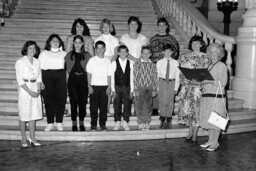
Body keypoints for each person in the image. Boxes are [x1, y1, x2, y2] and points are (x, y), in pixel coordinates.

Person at [178, 35, 210, 144]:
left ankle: (195, 135)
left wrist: (199, 81)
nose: (195, 45)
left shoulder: (206, 57)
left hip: (198, 87)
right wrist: (183, 80)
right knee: (188, 111)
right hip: (187, 87)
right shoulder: (184, 56)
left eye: (197, 43)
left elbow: (206, 74)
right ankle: (190, 132)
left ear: (201, 45)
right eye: (193, 43)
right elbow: (181, 72)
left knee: (196, 111)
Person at [199, 43, 228, 151]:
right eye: (210, 51)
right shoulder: (207, 65)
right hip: (206, 95)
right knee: (209, 119)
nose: (212, 54)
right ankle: (210, 140)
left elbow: (223, 82)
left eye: (215, 52)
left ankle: (215, 142)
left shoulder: (222, 65)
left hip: (217, 96)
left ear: (220, 53)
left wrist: (208, 81)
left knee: (216, 120)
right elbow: (202, 80)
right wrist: (197, 81)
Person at [15, 41, 43, 147]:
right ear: (26, 49)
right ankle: (23, 137)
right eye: (30, 48)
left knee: (33, 114)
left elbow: (39, 77)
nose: (32, 50)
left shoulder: (37, 61)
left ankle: (32, 137)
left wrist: (38, 90)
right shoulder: (20, 62)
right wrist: (30, 92)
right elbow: (19, 80)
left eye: (34, 48)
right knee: (23, 114)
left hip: (35, 87)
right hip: (25, 89)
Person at [149, 17, 179, 116]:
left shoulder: (172, 39)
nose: (161, 27)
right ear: (157, 26)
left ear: (166, 26)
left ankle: (169, 109)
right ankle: (155, 107)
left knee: (168, 91)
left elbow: (176, 53)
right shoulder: (153, 39)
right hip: (155, 66)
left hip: (168, 67)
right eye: (159, 25)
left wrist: (168, 63)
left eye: (163, 25)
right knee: (156, 87)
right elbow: (149, 53)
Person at [38, 34, 67, 132]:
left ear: (60, 42)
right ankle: (50, 122)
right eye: (53, 40)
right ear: (49, 42)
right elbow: (39, 69)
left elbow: (67, 68)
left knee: (61, 99)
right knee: (48, 99)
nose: (55, 42)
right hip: (47, 76)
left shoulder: (64, 53)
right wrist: (40, 81)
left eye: (57, 41)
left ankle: (59, 122)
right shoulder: (44, 53)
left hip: (61, 76)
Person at [65, 35, 91, 132]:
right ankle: (74, 124)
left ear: (83, 43)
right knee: (73, 102)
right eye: (76, 42)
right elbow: (67, 71)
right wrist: (66, 84)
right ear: (73, 43)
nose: (77, 44)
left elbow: (90, 71)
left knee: (82, 103)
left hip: (83, 80)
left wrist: (89, 84)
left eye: (80, 42)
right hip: (72, 80)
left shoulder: (87, 55)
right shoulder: (68, 55)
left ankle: (81, 122)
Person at [94, 18, 119, 114]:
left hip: (111, 62)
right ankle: (100, 107)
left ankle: (107, 107)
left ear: (110, 27)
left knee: (109, 85)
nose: (105, 28)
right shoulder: (98, 39)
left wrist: (109, 63)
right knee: (101, 85)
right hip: (100, 63)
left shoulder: (114, 39)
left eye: (107, 26)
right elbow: (97, 53)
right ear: (101, 27)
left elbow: (116, 53)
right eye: (103, 26)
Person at [86, 41, 111, 131]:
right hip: (94, 86)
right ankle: (93, 124)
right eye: (98, 48)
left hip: (104, 86)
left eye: (102, 48)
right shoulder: (92, 60)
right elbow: (89, 74)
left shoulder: (107, 61)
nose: (100, 50)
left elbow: (109, 75)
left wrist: (109, 86)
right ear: (95, 49)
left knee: (103, 107)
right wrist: (89, 86)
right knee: (93, 107)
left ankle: (102, 124)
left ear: (105, 49)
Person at [133, 46, 158, 130]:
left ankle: (146, 122)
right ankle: (140, 122)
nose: (146, 55)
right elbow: (135, 77)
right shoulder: (137, 64)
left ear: (150, 54)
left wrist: (154, 89)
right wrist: (135, 89)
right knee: (139, 105)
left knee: (148, 105)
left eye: (148, 53)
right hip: (140, 87)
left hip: (149, 88)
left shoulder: (153, 65)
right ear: (141, 54)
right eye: (144, 53)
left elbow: (155, 77)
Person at [156, 44, 180, 129]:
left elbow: (177, 76)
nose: (168, 53)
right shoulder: (159, 62)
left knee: (170, 102)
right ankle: (162, 120)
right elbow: (157, 75)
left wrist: (176, 88)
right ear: (163, 52)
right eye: (166, 51)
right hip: (162, 82)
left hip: (171, 82)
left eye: (169, 51)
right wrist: (157, 87)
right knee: (162, 101)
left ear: (172, 52)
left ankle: (169, 120)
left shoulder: (175, 62)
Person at [111, 45, 134, 131]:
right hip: (117, 86)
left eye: (125, 52)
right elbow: (112, 77)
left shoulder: (130, 63)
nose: (123, 53)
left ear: (127, 53)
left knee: (127, 104)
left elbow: (132, 77)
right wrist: (113, 90)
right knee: (117, 104)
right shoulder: (114, 63)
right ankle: (117, 121)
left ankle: (125, 121)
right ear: (118, 53)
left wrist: (132, 90)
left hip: (127, 87)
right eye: (121, 52)